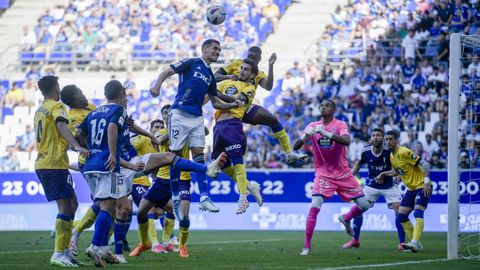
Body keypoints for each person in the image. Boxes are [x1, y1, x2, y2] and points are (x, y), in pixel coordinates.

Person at [150, 39, 242, 214]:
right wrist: (157, 85)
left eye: (219, 50)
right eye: (215, 48)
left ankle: (204, 198)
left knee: (199, 154)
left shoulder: (210, 75)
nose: (218, 52)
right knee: (175, 154)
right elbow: (168, 71)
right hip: (179, 113)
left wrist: (232, 105)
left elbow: (215, 102)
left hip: (197, 117)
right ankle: (175, 195)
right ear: (204, 49)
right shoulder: (191, 62)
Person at [294, 99, 370, 256]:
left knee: (364, 205)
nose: (323, 108)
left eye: (327, 106)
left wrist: (326, 133)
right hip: (323, 173)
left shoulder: (340, 125)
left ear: (333, 110)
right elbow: (295, 147)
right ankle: (306, 246)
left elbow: (347, 141)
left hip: (343, 173)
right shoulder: (312, 126)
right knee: (315, 205)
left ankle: (346, 218)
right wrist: (304, 137)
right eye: (321, 105)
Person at [214, 46, 307, 164]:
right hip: (229, 106)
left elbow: (268, 87)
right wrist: (228, 76)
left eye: (254, 56)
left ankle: (289, 153)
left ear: (259, 59)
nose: (251, 58)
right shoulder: (236, 63)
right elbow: (215, 76)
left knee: (272, 119)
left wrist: (271, 66)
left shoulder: (258, 74)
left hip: (245, 106)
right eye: (250, 55)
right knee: (231, 153)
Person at [34, 75, 89, 266]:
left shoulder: (40, 109)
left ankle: (65, 251)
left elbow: (55, 132)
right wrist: (75, 145)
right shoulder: (57, 106)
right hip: (53, 163)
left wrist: (69, 141)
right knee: (65, 207)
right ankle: (58, 254)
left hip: (48, 163)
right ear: (56, 89)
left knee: (72, 203)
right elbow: (61, 125)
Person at [130, 104, 191, 258]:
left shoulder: (186, 128)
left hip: (183, 177)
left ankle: (177, 245)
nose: (166, 115)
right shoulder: (159, 133)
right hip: (163, 178)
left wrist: (191, 122)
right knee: (142, 211)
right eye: (165, 113)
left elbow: (204, 131)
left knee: (183, 214)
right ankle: (146, 243)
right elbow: (162, 140)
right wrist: (175, 127)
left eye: (169, 113)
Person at [341, 128, 405, 250]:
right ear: (371, 138)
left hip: (389, 186)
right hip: (371, 185)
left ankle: (401, 243)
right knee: (359, 209)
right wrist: (350, 176)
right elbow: (359, 163)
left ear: (383, 138)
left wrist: (395, 175)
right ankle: (355, 240)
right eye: (373, 135)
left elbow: (397, 167)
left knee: (399, 210)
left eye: (378, 135)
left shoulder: (389, 151)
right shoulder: (365, 151)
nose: (376, 137)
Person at [213, 58, 263, 214]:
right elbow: (211, 95)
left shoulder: (249, 88)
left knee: (237, 161)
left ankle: (243, 197)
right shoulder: (227, 83)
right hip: (218, 126)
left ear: (253, 75)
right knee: (220, 164)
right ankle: (249, 185)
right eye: (241, 68)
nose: (242, 71)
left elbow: (239, 101)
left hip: (233, 125)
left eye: (246, 69)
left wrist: (217, 94)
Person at [375, 130, 432, 253]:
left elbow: (425, 165)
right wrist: (384, 173)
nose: (388, 142)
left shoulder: (404, 152)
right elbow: (397, 171)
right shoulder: (391, 156)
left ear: (396, 140)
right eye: (386, 139)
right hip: (411, 189)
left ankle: (415, 242)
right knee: (401, 216)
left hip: (422, 186)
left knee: (418, 213)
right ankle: (416, 244)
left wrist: (427, 182)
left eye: (390, 139)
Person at [59, 84, 99, 256]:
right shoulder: (72, 117)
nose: (85, 95)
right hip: (89, 163)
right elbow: (81, 142)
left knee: (115, 204)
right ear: (75, 99)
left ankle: (99, 246)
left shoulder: (91, 107)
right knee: (105, 202)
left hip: (104, 159)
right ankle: (75, 234)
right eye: (81, 93)